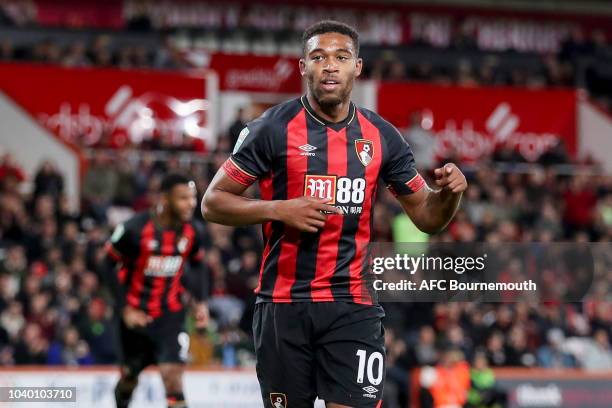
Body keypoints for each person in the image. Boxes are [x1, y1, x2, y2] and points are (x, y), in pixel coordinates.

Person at [202, 20, 467, 408]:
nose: (330, 66)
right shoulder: (271, 129)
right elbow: (212, 202)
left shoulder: (382, 137)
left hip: (352, 305)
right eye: (319, 57)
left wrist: (449, 196)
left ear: (357, 67)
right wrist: (279, 208)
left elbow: (428, 217)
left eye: (341, 57)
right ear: (302, 67)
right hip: (283, 305)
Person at [103, 173, 210, 408]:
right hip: (135, 318)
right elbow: (106, 263)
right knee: (129, 376)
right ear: (165, 198)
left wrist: (201, 302)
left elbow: (198, 263)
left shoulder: (195, 231)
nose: (191, 203)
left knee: (173, 379)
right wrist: (125, 309)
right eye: (183, 198)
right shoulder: (134, 229)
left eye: (192, 197)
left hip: (170, 315)